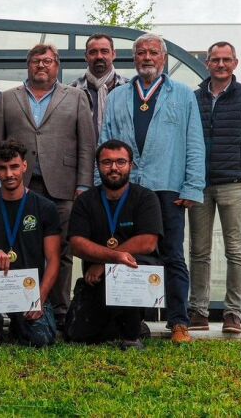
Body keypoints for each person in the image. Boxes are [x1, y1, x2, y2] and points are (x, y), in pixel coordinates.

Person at [99, 33, 206, 344]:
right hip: (128, 189)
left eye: (153, 53)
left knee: (172, 254)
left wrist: (192, 185)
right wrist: (101, 183)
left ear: (164, 59)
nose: (146, 57)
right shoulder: (118, 96)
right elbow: (106, 141)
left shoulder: (183, 95)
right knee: (125, 252)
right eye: (141, 53)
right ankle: (131, 323)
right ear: (133, 59)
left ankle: (179, 323)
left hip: (169, 187)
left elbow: (195, 143)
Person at [0, 43, 96, 331]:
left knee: (62, 250)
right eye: (36, 61)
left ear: (57, 65)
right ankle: (16, 304)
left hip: (63, 186)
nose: (41, 66)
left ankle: (59, 308)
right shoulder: (8, 98)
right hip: (19, 186)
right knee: (19, 245)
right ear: (28, 65)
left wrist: (84, 184)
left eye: (47, 61)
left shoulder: (76, 97)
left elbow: (87, 144)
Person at [189, 41, 241, 334]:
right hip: (200, 185)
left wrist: (238, 165)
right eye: (214, 59)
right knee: (199, 251)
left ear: (235, 63)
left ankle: (233, 313)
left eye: (226, 60)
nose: (220, 64)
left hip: (234, 185)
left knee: (235, 250)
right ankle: (198, 310)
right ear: (207, 63)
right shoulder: (195, 98)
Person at [64, 140, 163, 350]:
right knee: (77, 334)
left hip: (137, 275)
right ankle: (128, 324)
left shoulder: (146, 197)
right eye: (107, 162)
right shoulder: (85, 201)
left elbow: (148, 242)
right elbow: (76, 244)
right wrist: (112, 259)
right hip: (97, 281)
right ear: (98, 166)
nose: (114, 168)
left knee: (126, 269)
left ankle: (131, 337)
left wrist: (108, 261)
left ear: (131, 165)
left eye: (120, 162)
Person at [0, 139, 61, 347]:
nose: (9, 174)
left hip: (28, 289)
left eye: (14, 167)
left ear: (24, 166)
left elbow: (53, 260)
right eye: (2, 168)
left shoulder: (45, 207)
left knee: (41, 340)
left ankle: (19, 321)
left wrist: (39, 299)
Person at [69, 34, 130, 140]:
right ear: (85, 56)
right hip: (84, 155)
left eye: (104, 51)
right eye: (93, 52)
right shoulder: (71, 92)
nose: (99, 56)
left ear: (113, 54)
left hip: (120, 155)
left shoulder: (129, 90)